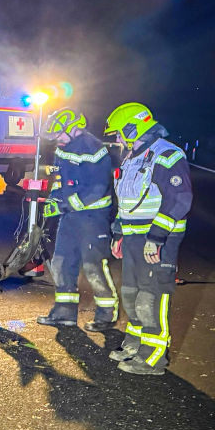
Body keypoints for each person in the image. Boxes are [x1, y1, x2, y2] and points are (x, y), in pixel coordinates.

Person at [104, 102, 192, 375]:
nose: (117, 139)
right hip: (132, 239)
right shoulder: (132, 157)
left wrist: (156, 238)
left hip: (156, 241)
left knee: (151, 296)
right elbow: (127, 202)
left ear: (133, 128)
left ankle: (154, 356)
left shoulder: (167, 155)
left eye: (119, 133)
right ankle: (135, 343)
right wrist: (119, 233)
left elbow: (180, 200)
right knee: (131, 293)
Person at [35, 108, 118, 331]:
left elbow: (98, 188)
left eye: (60, 135)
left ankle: (106, 315)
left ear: (73, 128)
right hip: (70, 217)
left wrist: (69, 204)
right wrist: (54, 199)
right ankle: (64, 313)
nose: (58, 141)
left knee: (93, 267)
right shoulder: (63, 148)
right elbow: (61, 179)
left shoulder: (94, 148)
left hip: (93, 218)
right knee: (62, 263)